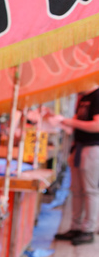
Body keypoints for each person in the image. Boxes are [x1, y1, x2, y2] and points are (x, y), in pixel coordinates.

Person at [55, 86, 99, 245]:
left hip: (92, 148)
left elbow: (97, 125)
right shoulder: (83, 98)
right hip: (78, 147)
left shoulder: (97, 95)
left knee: (90, 191)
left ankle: (88, 230)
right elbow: (73, 125)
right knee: (76, 191)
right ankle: (76, 226)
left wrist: (71, 121)